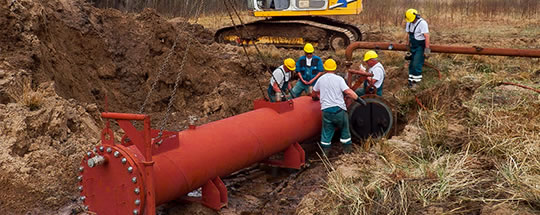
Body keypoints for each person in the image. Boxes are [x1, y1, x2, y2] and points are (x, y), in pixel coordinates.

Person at [312, 59, 367, 155]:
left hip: (326, 111)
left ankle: (325, 154)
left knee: (326, 133)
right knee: (345, 131)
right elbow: (348, 92)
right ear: (335, 68)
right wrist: (359, 100)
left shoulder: (320, 79)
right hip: (339, 111)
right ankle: (347, 153)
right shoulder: (339, 79)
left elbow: (314, 92)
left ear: (325, 68)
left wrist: (316, 97)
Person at [405, 8, 430, 88]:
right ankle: (410, 80)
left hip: (420, 46)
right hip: (413, 45)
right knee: (411, 64)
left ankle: (416, 83)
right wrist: (407, 45)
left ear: (416, 17)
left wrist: (427, 49)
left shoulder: (422, 23)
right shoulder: (409, 23)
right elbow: (408, 34)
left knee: (416, 64)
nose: (411, 21)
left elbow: (427, 36)